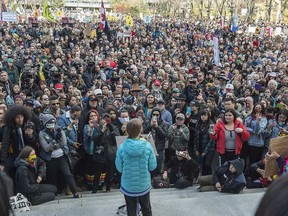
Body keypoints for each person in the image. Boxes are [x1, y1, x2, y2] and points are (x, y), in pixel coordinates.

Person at [115, 118, 157, 216]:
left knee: (131, 210)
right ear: (140, 130)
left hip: (128, 186)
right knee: (146, 209)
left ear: (127, 130)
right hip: (143, 185)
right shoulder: (147, 146)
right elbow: (152, 167)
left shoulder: (121, 147)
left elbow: (119, 168)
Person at [38, 113, 80, 198]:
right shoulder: (42, 133)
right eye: (49, 123)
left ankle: (75, 192)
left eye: (53, 122)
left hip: (61, 156)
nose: (52, 125)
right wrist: (54, 142)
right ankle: (52, 193)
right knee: (52, 177)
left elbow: (64, 143)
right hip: (50, 158)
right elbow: (46, 148)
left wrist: (54, 145)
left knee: (67, 174)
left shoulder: (59, 129)